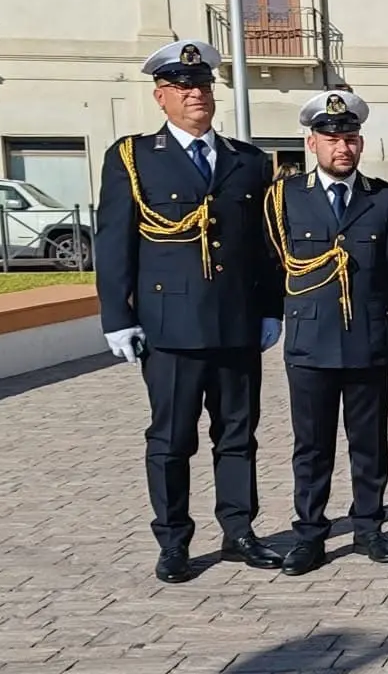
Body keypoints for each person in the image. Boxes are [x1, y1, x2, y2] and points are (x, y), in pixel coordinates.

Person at [96, 40, 283, 583]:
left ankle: (240, 531)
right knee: (172, 439)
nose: (196, 94)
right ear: (161, 97)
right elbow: (114, 242)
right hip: (170, 325)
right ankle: (174, 540)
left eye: (202, 85)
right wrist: (117, 317)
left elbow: (263, 245)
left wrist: (270, 309)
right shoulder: (133, 157)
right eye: (183, 87)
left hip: (236, 323)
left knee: (237, 436)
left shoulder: (247, 162)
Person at [264, 90, 388, 576]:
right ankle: (310, 535)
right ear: (312, 144)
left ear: (361, 144)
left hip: (367, 338)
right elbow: (270, 266)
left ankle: (370, 528)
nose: (340, 148)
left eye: (349, 138)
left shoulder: (386, 200)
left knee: (369, 442)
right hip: (309, 341)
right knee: (312, 445)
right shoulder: (285, 199)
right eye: (331, 139)